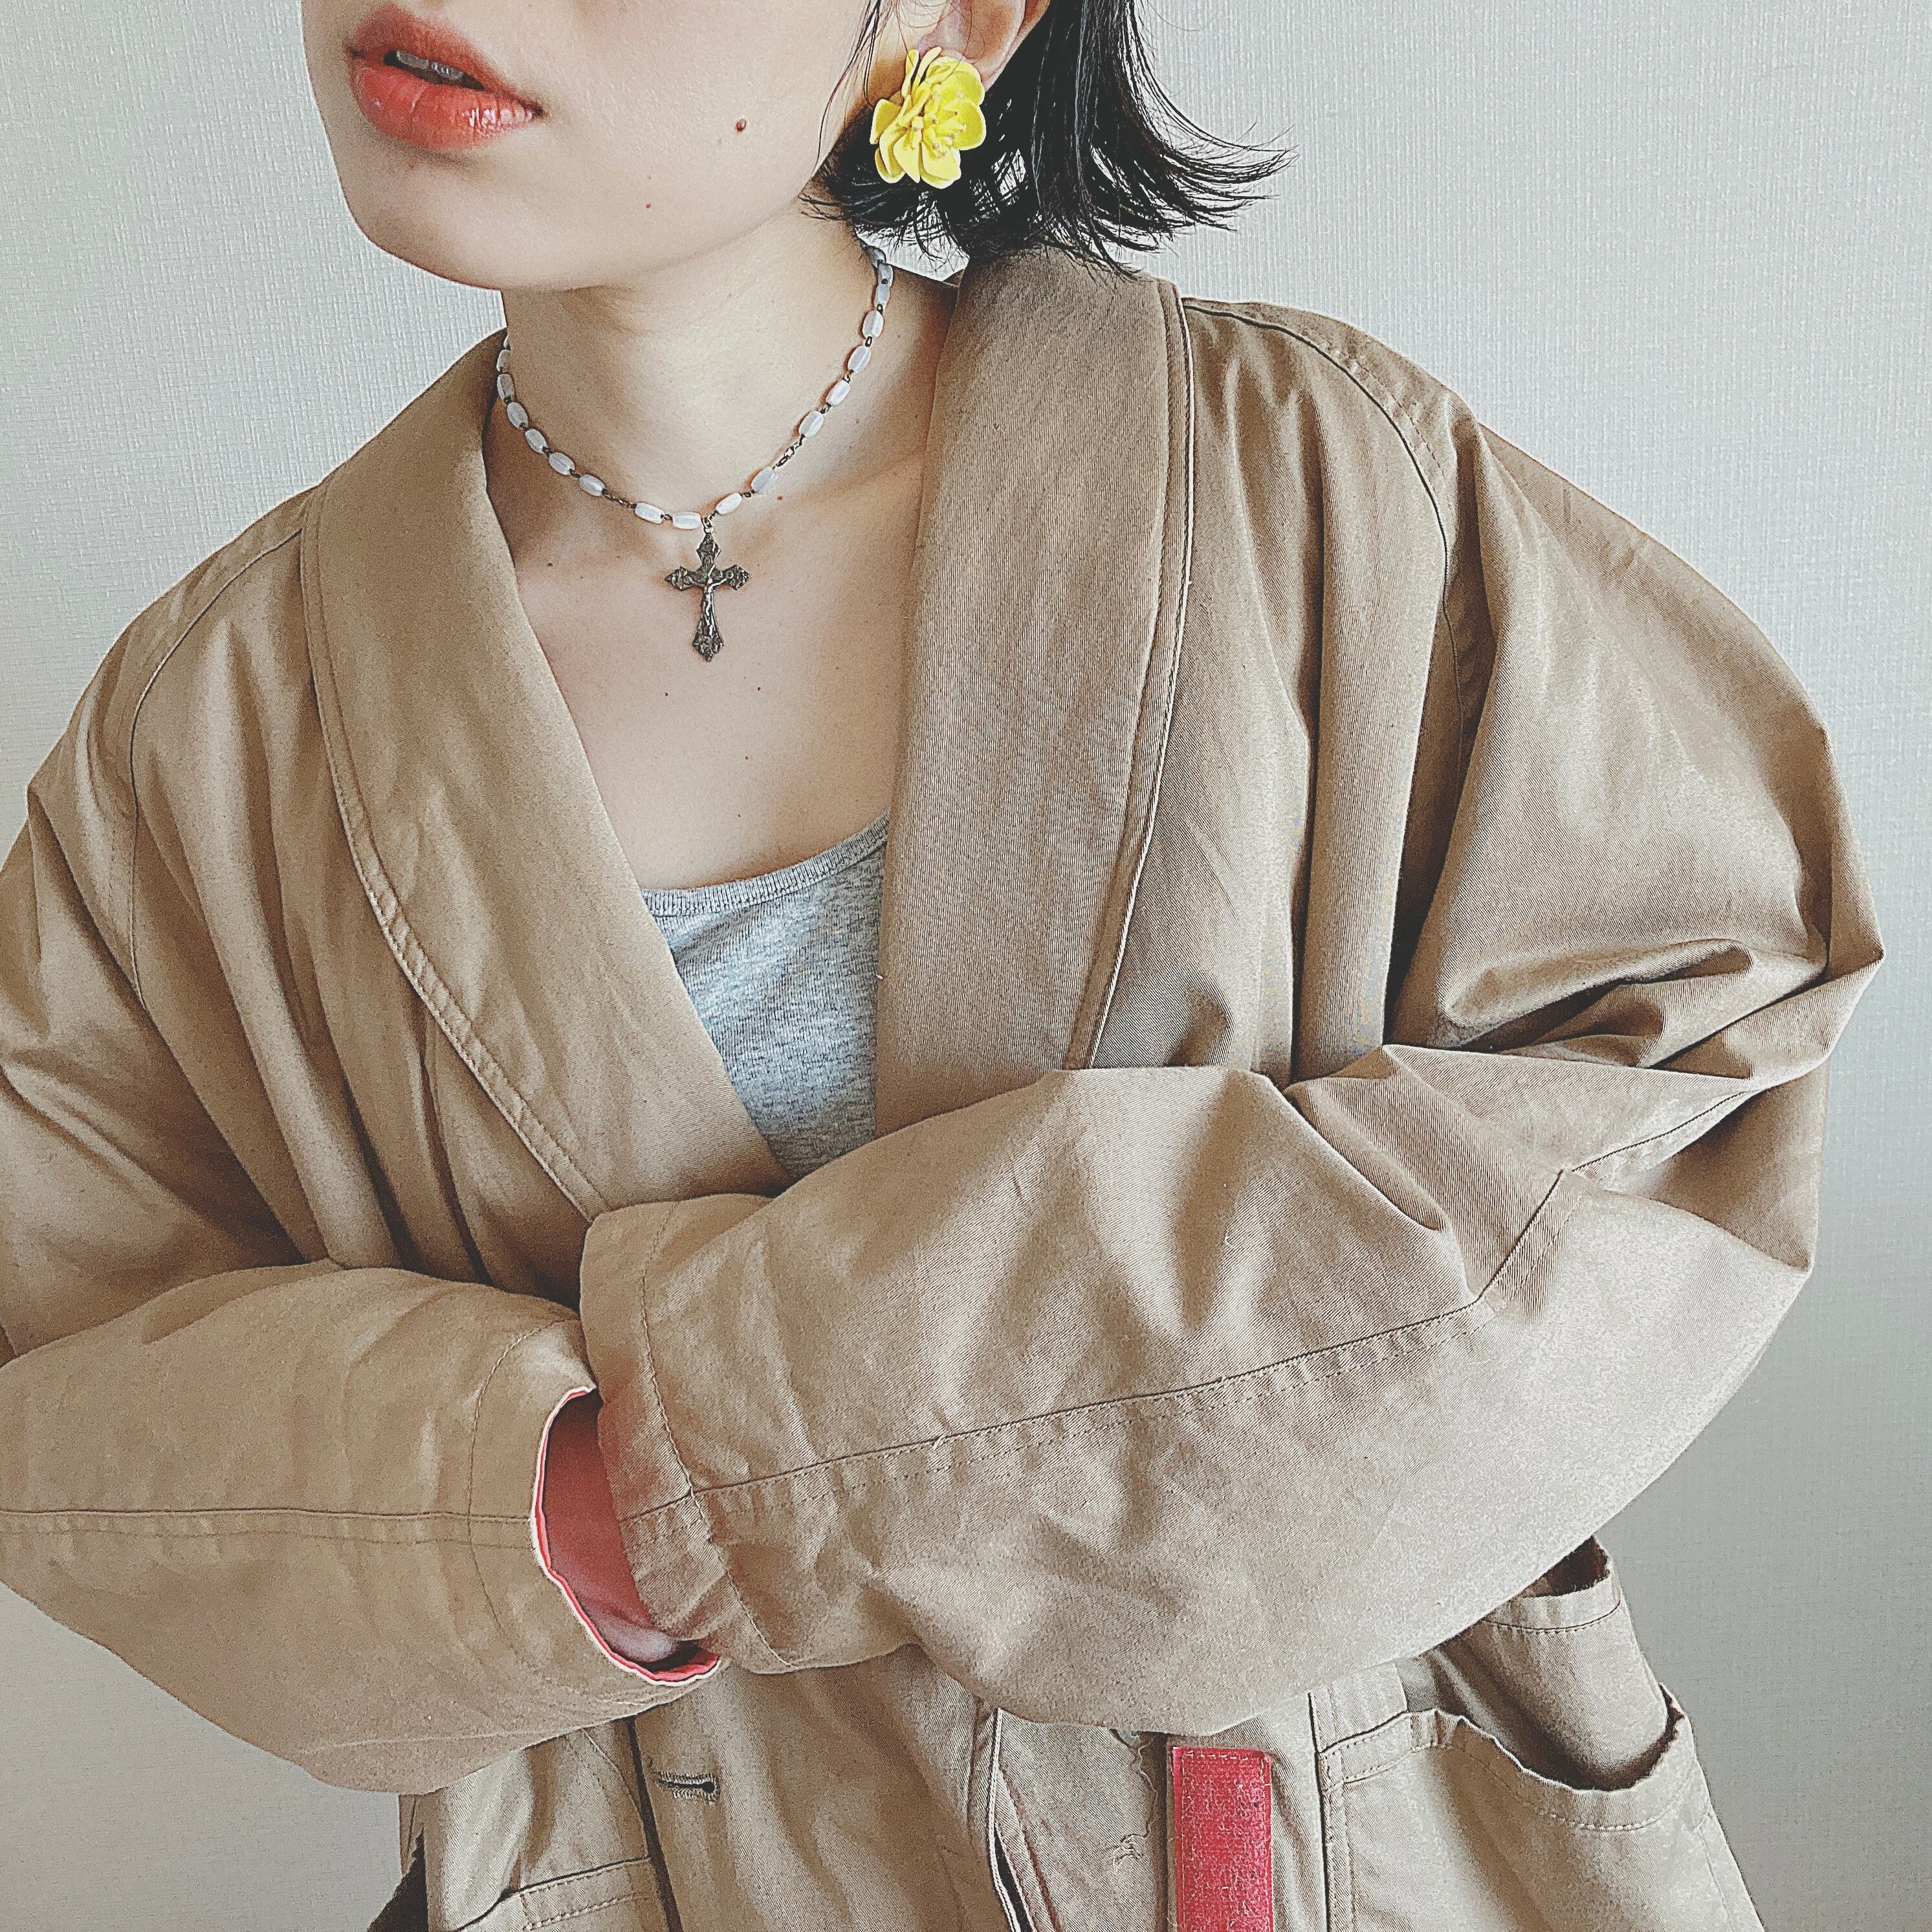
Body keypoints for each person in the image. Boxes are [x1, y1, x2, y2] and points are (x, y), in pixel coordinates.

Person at [0, 1, 1882, 1927]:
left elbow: (1685, 1067)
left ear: (957, 21)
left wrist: (714, 1475)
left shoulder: (1304, 482)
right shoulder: (212, 724)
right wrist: (542, 1510)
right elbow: (59, 1361)